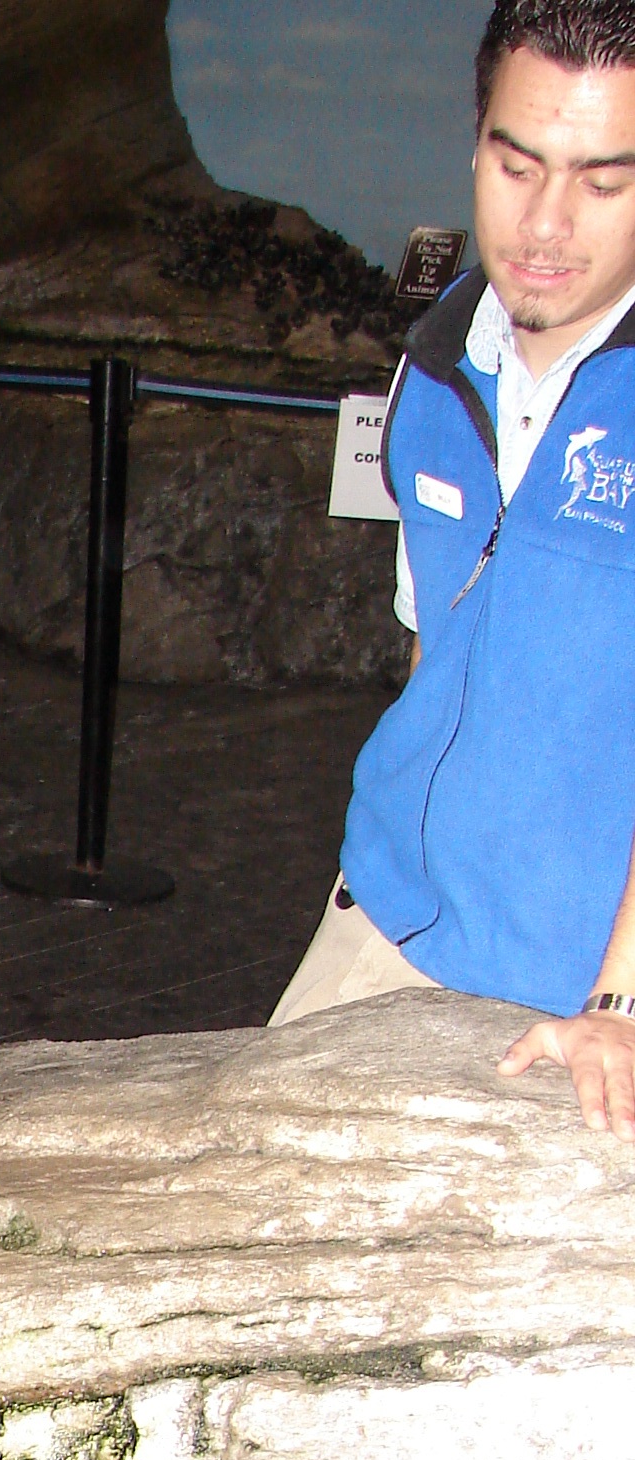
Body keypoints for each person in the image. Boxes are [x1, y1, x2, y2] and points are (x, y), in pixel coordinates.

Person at [271, 0, 635, 1147]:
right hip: (385, 914)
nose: (544, 222)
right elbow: (435, 641)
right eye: (517, 163)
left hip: (582, 985)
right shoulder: (435, 370)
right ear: (475, 140)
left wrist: (621, 1002)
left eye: (603, 181)